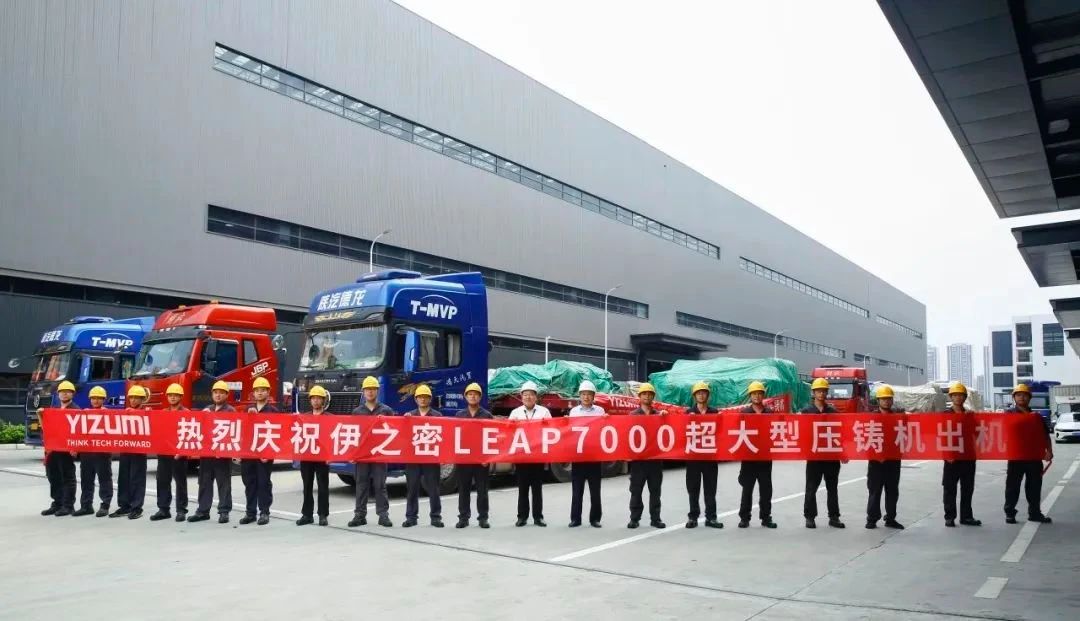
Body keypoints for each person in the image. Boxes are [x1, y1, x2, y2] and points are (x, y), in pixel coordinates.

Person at [1003, 383, 1053, 525]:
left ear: (1029, 398)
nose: (1022, 397)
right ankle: (1010, 513)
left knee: (1034, 487)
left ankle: (1035, 513)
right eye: (1018, 395)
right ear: (1014, 398)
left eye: (1025, 395)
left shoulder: (1036, 417)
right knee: (1012, 487)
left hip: (1034, 457)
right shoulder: (1008, 415)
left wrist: (1049, 451)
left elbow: (1045, 435)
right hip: (1016, 457)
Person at [349, 376, 394, 528]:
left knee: (380, 485)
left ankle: (383, 515)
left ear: (377, 391)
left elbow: (394, 431)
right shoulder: (357, 412)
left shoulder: (386, 410)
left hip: (379, 454)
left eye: (373, 389)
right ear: (363, 392)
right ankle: (359, 515)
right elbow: (353, 434)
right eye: (367, 389)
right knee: (361, 484)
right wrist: (353, 453)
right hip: (362, 455)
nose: (370, 392)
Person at [188, 381, 234, 524]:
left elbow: (234, 431)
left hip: (222, 454)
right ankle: (203, 511)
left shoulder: (230, 411)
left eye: (221, 393)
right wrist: (202, 416)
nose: (218, 395)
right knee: (204, 482)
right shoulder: (207, 409)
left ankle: (224, 511)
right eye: (215, 392)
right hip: (207, 453)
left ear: (226, 395)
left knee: (223, 483)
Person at [802, 378, 845, 529]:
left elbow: (840, 434)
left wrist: (843, 452)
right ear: (813, 393)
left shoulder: (833, 412)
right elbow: (802, 434)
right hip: (814, 456)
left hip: (831, 457)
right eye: (818, 391)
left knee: (832, 488)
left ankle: (834, 517)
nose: (821, 393)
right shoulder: (806, 412)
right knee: (811, 488)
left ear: (827, 392)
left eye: (823, 391)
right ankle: (810, 517)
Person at [509, 380, 551, 527]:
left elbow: (552, 430)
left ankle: (538, 517)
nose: (528, 397)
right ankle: (522, 517)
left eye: (531, 394)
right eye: (525, 394)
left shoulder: (544, 412)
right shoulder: (515, 413)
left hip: (537, 456)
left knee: (537, 488)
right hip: (521, 456)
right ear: (521, 397)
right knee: (523, 488)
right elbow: (508, 431)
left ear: (536, 397)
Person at [403, 384, 444, 528]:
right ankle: (411, 517)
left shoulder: (437, 416)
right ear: (415, 399)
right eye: (420, 397)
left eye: (425, 397)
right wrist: (405, 421)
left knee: (433, 488)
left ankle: (436, 517)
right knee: (412, 488)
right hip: (413, 458)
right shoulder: (409, 415)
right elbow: (403, 436)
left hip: (431, 458)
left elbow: (443, 437)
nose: (422, 399)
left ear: (430, 399)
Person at [738, 381, 776, 529]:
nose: (757, 396)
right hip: (749, 458)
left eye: (759, 393)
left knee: (766, 490)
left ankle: (766, 517)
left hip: (765, 457)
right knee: (747, 489)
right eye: (754, 393)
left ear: (763, 395)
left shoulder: (769, 413)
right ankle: (744, 518)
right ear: (750, 396)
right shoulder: (744, 413)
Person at [150, 383, 190, 523]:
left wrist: (182, 451)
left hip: (179, 453)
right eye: (170, 395)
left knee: (180, 482)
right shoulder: (163, 412)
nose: (173, 398)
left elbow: (188, 435)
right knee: (162, 480)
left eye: (176, 395)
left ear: (181, 397)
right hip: (164, 452)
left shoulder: (186, 413)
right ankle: (163, 509)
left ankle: (181, 510)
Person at [866, 385, 904, 530]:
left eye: (889, 399)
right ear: (878, 401)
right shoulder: (872, 417)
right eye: (883, 399)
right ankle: (872, 519)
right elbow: (865, 439)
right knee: (875, 491)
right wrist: (876, 455)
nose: (886, 401)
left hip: (893, 460)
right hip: (876, 462)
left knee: (892, 491)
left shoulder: (898, 417)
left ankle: (891, 518)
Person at [942, 382, 980, 527]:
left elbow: (977, 434)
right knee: (949, 488)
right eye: (955, 395)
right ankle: (949, 517)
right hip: (951, 457)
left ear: (965, 397)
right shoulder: (945, 415)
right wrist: (946, 454)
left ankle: (966, 517)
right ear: (951, 397)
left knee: (967, 488)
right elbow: (940, 437)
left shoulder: (969, 415)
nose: (958, 398)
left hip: (968, 456)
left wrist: (973, 420)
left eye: (961, 395)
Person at [685, 381, 721, 529]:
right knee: (693, 489)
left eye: (703, 392)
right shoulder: (688, 413)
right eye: (698, 393)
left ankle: (711, 518)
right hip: (693, 458)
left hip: (710, 457)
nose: (701, 395)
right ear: (694, 396)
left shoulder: (715, 413)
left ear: (708, 395)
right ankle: (693, 517)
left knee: (710, 489)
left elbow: (722, 432)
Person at [628, 383, 665, 529]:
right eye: (644, 394)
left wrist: (665, 417)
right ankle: (634, 518)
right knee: (636, 491)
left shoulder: (659, 415)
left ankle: (655, 519)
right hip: (639, 461)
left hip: (655, 460)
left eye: (650, 394)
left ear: (653, 397)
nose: (647, 396)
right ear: (639, 396)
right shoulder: (632, 416)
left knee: (655, 491)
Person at [456, 383, 493, 529]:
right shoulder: (459, 415)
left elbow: (492, 437)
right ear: (465, 397)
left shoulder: (487, 415)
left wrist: (487, 457)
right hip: (464, 459)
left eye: (476, 394)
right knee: (463, 490)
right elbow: (454, 437)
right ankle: (463, 518)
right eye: (470, 394)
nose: (473, 396)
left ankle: (483, 518)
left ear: (480, 397)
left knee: (482, 491)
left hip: (481, 459)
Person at [72, 386, 113, 518]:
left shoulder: (109, 414)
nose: (95, 400)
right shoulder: (84, 414)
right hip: (87, 452)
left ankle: (105, 505)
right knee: (86, 479)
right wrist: (75, 447)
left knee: (104, 479)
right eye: (93, 398)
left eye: (98, 398)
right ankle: (86, 505)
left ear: (103, 399)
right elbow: (78, 432)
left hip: (102, 452)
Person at [569, 380, 605, 528]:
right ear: (580, 396)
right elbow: (569, 431)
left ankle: (595, 519)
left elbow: (604, 429)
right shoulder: (574, 412)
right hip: (578, 457)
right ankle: (575, 519)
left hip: (594, 456)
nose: (586, 397)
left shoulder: (600, 411)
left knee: (595, 491)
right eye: (583, 394)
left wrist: (607, 420)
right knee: (577, 491)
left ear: (593, 396)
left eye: (589, 394)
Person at [240, 377, 277, 526]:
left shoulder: (273, 411)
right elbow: (242, 431)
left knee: (263, 482)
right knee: (249, 482)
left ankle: (264, 512)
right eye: (257, 390)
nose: (260, 393)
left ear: (268, 392)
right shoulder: (247, 410)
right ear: (253, 393)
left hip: (264, 453)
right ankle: (250, 513)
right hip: (249, 453)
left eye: (263, 390)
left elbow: (278, 434)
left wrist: (269, 453)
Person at [111, 385, 150, 520]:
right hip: (125, 448)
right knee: (123, 478)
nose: (133, 400)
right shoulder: (125, 412)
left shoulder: (147, 412)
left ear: (142, 399)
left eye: (136, 398)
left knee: (137, 478)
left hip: (139, 449)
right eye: (131, 397)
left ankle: (136, 507)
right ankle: (124, 505)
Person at [42, 380, 78, 517]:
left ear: (72, 394)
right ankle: (57, 503)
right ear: (58, 394)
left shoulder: (76, 410)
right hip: (53, 449)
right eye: (62, 392)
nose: (64, 394)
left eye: (67, 392)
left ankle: (68, 505)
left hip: (66, 449)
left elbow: (78, 431)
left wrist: (75, 447)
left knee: (67, 477)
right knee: (54, 476)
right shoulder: (55, 409)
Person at [297, 386, 330, 526]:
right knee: (307, 486)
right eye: (313, 398)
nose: (316, 401)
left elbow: (332, 438)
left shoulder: (329, 418)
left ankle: (323, 515)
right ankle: (307, 514)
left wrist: (330, 455)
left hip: (322, 457)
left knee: (323, 486)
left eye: (319, 398)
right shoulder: (303, 417)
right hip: (307, 456)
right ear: (310, 400)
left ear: (323, 400)